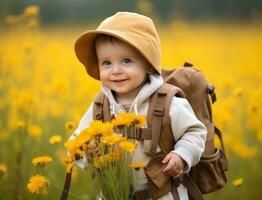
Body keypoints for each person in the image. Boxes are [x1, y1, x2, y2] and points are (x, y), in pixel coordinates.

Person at [70, 11, 207, 200]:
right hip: (112, 193)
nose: (116, 70)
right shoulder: (101, 105)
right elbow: (78, 140)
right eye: (107, 63)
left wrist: (182, 156)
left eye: (126, 61)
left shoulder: (167, 102)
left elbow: (195, 132)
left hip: (162, 194)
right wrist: (86, 151)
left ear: (149, 64)